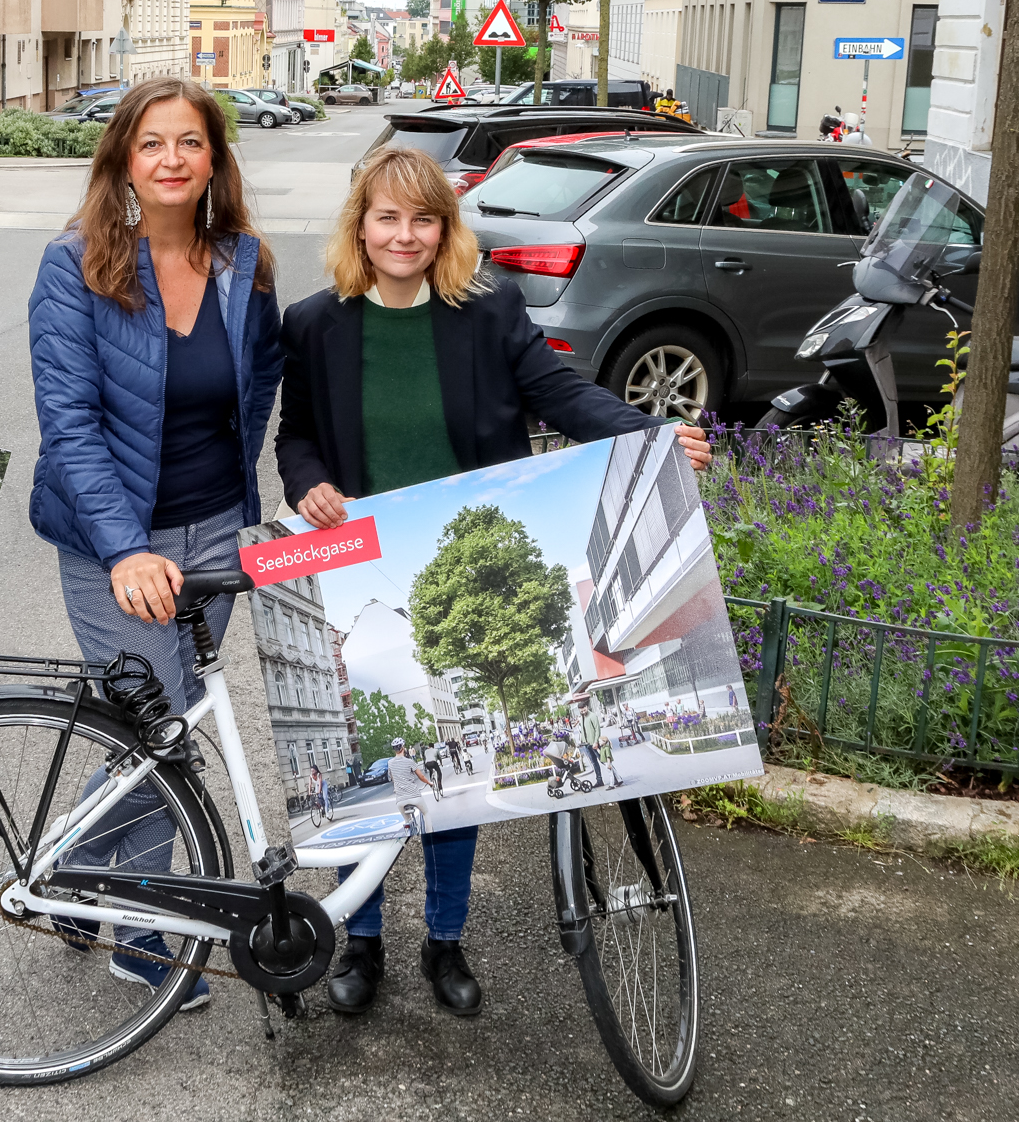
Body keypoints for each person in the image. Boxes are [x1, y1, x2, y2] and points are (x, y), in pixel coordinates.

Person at [276, 144, 712, 1019]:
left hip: (463, 561)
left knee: (454, 766)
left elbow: (559, 391)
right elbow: (299, 432)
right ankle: (359, 943)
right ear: (360, 223)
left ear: (446, 228)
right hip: (360, 558)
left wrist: (646, 437)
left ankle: (444, 939)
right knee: (356, 761)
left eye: (423, 217)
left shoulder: (487, 311)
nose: (405, 234)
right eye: (387, 217)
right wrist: (307, 482)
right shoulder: (316, 321)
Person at [27, 75, 282, 1009]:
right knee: (162, 731)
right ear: (123, 161)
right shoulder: (75, 264)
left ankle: (73, 864)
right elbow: (70, 423)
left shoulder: (243, 260)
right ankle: (148, 937)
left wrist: (249, 504)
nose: (171, 159)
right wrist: (127, 546)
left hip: (214, 526)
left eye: (189, 142)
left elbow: (253, 396)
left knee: (159, 726)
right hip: (113, 544)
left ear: (214, 156)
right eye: (151, 144)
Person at [576, 704, 611, 789]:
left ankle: (616, 778)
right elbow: (583, 731)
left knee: (603, 760)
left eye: (584, 708)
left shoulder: (592, 716)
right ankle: (599, 780)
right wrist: (581, 742)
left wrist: (596, 742)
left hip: (594, 743)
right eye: (581, 709)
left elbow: (597, 729)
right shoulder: (582, 718)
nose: (583, 710)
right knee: (594, 763)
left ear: (587, 707)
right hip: (586, 744)